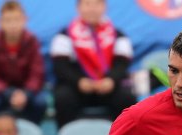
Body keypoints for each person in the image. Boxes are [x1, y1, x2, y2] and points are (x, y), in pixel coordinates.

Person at [49, 0, 136, 128]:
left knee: (126, 98)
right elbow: (60, 66)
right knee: (63, 98)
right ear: (78, 8)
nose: (92, 9)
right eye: (87, 4)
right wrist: (79, 81)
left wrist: (111, 80)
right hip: (77, 87)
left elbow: (122, 63)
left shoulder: (118, 35)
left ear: (104, 7)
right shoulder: (65, 35)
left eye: (96, 4)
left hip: (108, 86)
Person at [0, 1, 46, 125]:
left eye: (17, 19)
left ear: (25, 20)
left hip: (27, 90)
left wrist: (26, 93)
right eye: (8, 20)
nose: (13, 24)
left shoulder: (32, 40)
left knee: (40, 102)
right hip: (3, 91)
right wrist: (8, 93)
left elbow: (37, 73)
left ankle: (32, 131)